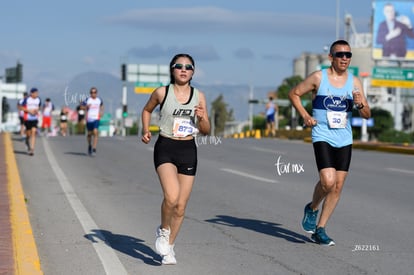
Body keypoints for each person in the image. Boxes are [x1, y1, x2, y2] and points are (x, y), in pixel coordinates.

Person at [288, 40, 371, 246]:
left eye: (348, 55)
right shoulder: (319, 77)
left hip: (344, 137)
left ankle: (320, 229)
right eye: (340, 54)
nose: (344, 58)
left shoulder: (354, 82)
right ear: (331, 57)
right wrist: (306, 116)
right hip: (322, 134)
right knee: (328, 181)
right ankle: (312, 208)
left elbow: (367, 114)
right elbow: (294, 94)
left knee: (337, 186)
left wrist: (360, 104)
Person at [141, 53, 210, 265]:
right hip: (166, 147)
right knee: (171, 196)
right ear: (172, 69)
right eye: (179, 66)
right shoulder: (162, 92)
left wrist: (201, 118)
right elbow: (147, 110)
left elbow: (206, 131)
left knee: (180, 205)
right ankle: (163, 230)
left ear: (193, 72)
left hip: (188, 148)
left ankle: (169, 247)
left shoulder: (199, 96)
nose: (183, 69)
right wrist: (145, 129)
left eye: (188, 67)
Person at [81, 87, 103, 156]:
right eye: (92, 92)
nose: (93, 94)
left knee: (95, 132)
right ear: (90, 93)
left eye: (94, 92)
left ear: (96, 93)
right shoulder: (87, 100)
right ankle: (89, 145)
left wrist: (101, 112)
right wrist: (86, 107)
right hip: (89, 119)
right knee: (89, 134)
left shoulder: (99, 100)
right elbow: (81, 107)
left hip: (96, 118)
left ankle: (94, 148)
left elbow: (102, 106)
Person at [20, 88, 41, 156]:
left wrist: (36, 110)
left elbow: (39, 107)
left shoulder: (38, 99)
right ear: (31, 93)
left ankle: (32, 149)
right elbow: (21, 108)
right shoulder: (27, 99)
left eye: (37, 93)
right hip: (27, 118)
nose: (36, 94)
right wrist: (29, 111)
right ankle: (27, 140)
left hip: (34, 118)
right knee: (28, 134)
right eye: (35, 93)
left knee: (34, 132)